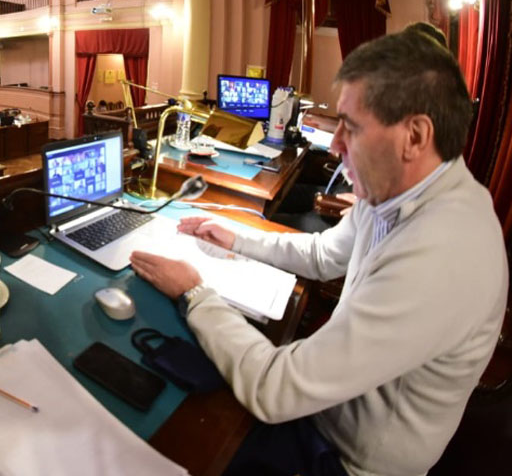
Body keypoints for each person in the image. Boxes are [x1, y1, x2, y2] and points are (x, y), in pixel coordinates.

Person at [130, 30, 508, 476]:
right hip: (324, 414)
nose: (334, 143)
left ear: (415, 136)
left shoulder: (445, 253)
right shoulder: (394, 190)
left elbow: (275, 391)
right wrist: (236, 239)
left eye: (351, 126)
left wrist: (195, 293)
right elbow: (323, 255)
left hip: (343, 460)